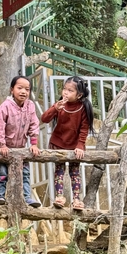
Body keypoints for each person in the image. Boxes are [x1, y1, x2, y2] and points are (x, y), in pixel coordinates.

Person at [41, 75, 94, 210]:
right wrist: (55, 108)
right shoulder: (60, 105)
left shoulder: (83, 107)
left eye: (70, 91)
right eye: (65, 89)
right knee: (59, 171)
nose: (65, 92)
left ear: (79, 95)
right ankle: (59, 197)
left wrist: (80, 145)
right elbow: (44, 119)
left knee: (74, 172)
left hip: (74, 146)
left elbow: (84, 129)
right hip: (58, 143)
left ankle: (76, 199)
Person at [0, 75, 41, 207]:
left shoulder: (30, 106)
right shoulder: (5, 106)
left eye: (27, 89)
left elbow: (34, 124)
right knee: (2, 172)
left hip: (21, 146)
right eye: (19, 88)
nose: (23, 92)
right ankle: (0, 196)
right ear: (11, 89)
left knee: (24, 173)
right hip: (3, 146)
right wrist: (1, 145)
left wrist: (33, 144)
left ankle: (27, 198)